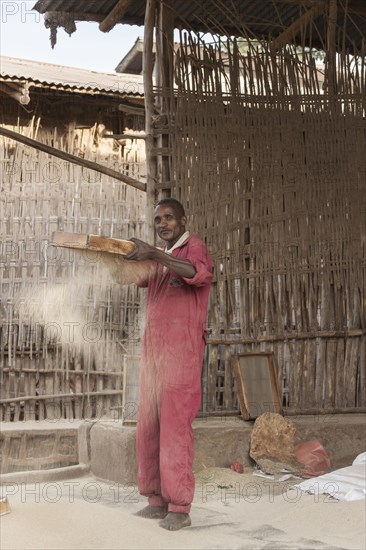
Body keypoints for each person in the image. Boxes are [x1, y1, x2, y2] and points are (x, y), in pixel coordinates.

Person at [126, 198, 212, 531]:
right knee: (148, 424)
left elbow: (195, 273)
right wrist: (119, 254)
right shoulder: (160, 258)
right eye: (158, 220)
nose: (163, 224)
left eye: (168, 218)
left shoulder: (194, 248)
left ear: (182, 220)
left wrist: (155, 253)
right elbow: (135, 276)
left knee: (175, 428)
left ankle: (179, 506)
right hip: (154, 353)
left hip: (181, 356)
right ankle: (155, 499)